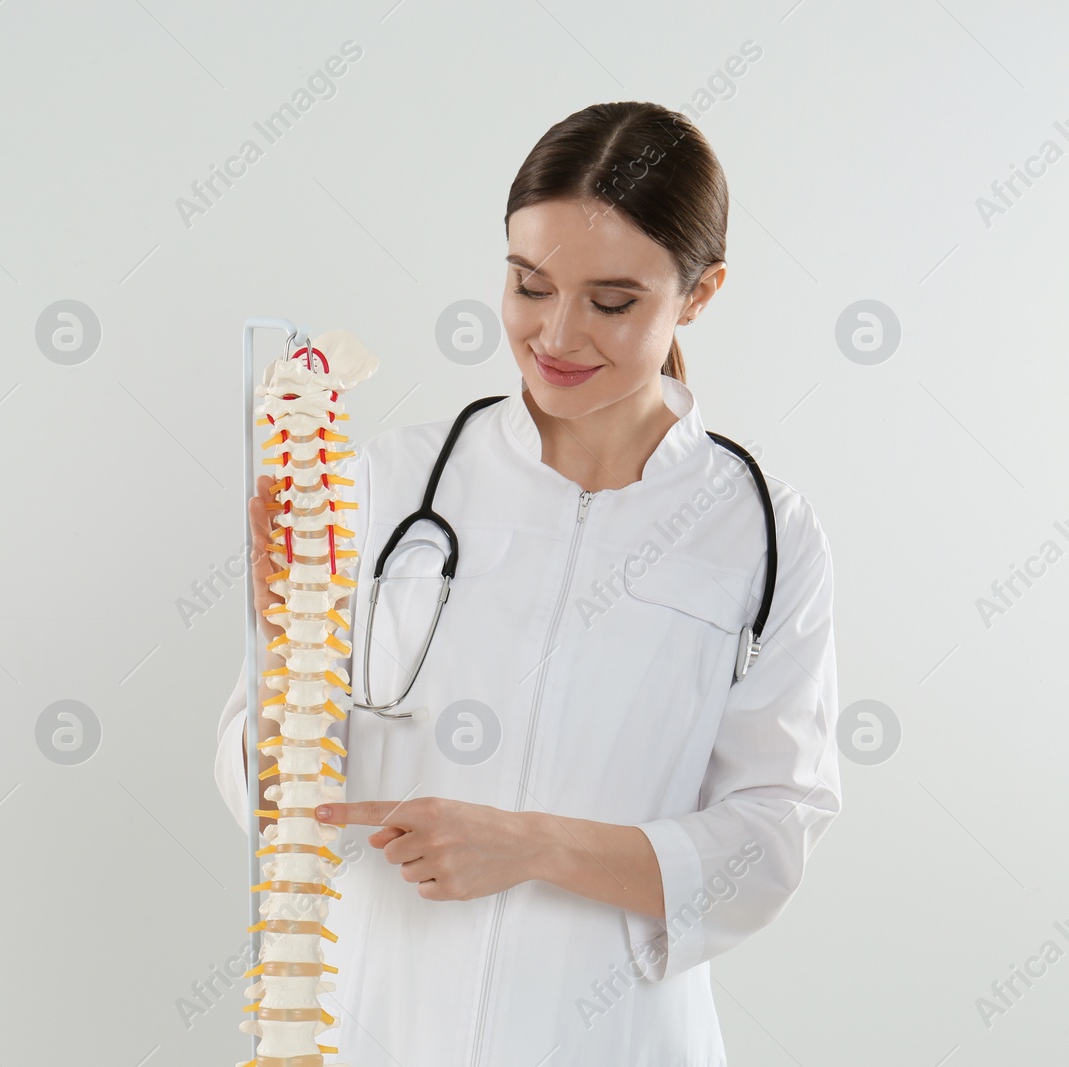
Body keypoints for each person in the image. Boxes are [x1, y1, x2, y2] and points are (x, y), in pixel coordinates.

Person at [213, 101, 842, 1066]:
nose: (556, 334)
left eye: (613, 301)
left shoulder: (761, 533)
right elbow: (271, 798)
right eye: (528, 283)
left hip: (616, 1036)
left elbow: (770, 841)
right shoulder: (389, 483)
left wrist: (535, 846)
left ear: (701, 292)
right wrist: (282, 642)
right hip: (384, 1028)